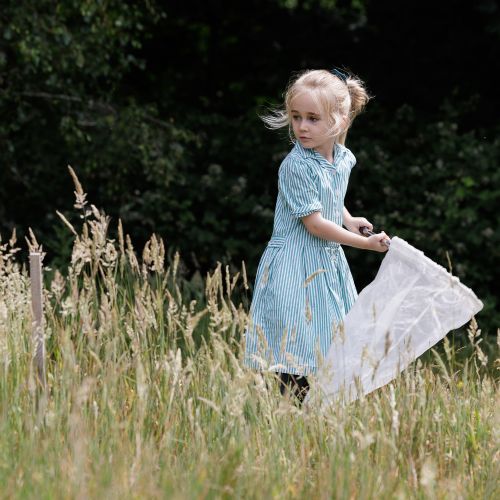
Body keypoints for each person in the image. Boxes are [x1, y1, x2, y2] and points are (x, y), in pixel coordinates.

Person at [243, 68, 389, 405]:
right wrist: (364, 244)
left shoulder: (342, 159)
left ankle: (323, 408)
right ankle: (286, 408)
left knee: (331, 332)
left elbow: (329, 199)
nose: (302, 127)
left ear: (340, 121)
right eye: (296, 117)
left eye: (312, 118)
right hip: (295, 262)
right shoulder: (296, 166)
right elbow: (315, 224)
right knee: (296, 336)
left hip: (325, 260)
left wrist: (349, 220)